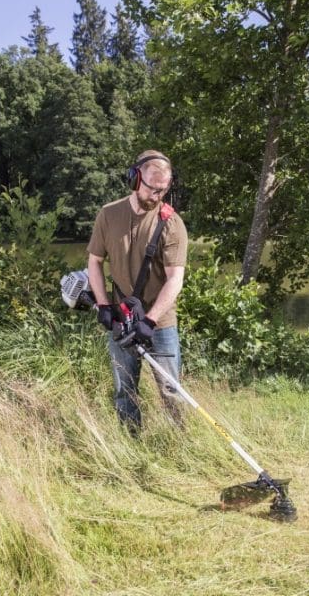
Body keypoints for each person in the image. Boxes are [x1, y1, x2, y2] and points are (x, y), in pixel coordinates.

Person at [86, 150, 188, 433]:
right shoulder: (108, 215)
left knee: (171, 391)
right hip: (121, 318)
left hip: (161, 323)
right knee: (124, 391)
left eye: (163, 190)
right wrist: (105, 306)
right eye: (152, 187)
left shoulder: (171, 223)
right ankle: (131, 444)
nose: (156, 195)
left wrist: (151, 320)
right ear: (135, 178)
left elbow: (175, 279)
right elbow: (94, 262)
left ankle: (180, 448)